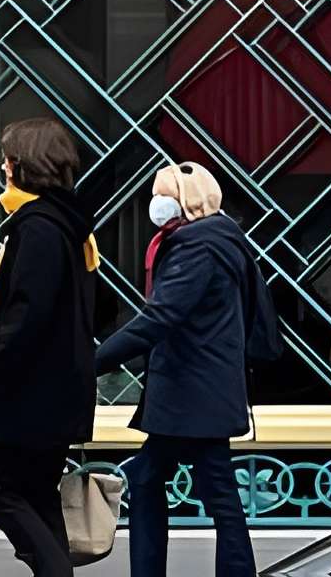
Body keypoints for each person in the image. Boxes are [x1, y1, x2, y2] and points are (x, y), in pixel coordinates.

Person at [0, 116, 100, 577]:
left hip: (29, 398)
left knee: (5, 489)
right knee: (37, 492)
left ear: (23, 166)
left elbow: (22, 318)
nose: (2, 169)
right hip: (53, 394)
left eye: (8, 160)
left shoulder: (38, 229)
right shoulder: (68, 226)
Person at [95, 162, 257, 577]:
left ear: (186, 201)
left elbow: (159, 317)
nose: (155, 203)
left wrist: (91, 363)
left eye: (162, 195)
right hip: (197, 390)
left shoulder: (197, 248)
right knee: (155, 479)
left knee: (212, 494)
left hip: (193, 394)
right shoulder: (219, 240)